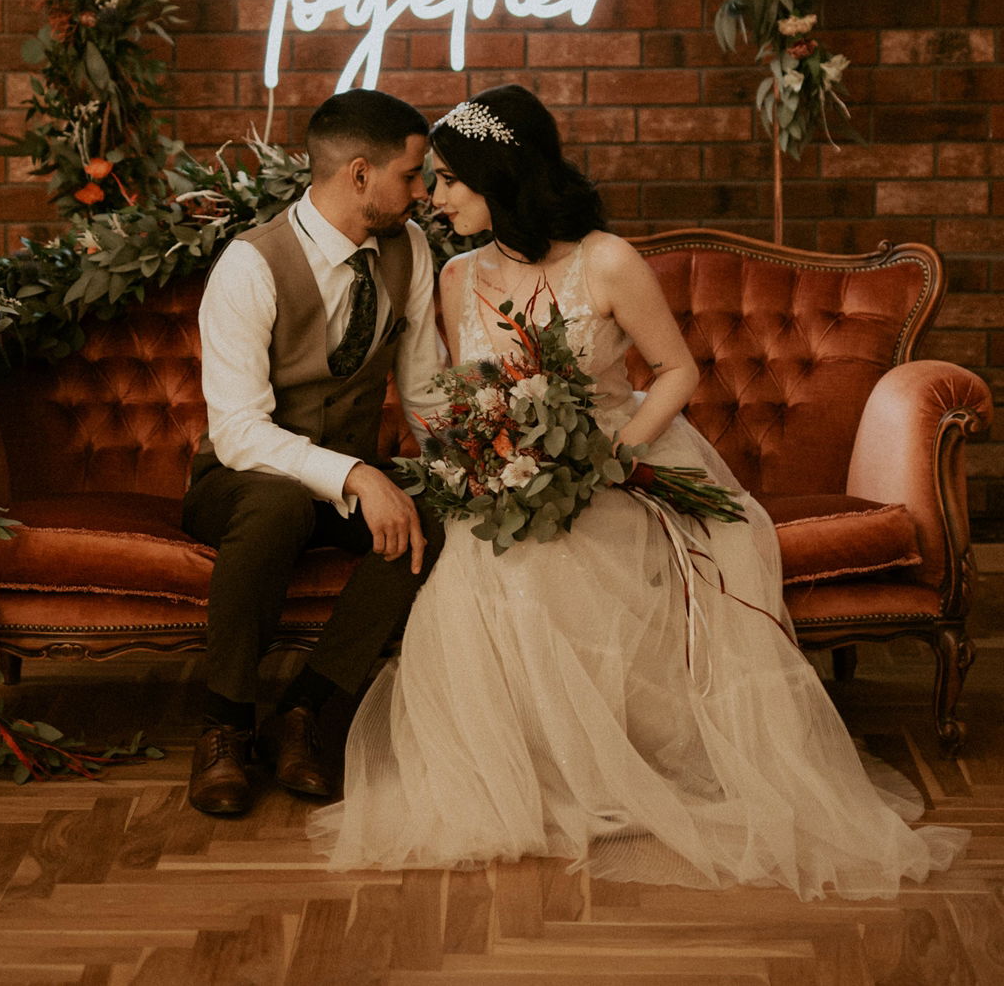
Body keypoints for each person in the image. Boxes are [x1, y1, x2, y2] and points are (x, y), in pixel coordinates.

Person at [309, 83, 968, 899]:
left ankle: (629, 760)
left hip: (626, 462)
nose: (434, 199)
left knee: (574, 557)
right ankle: (531, 766)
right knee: (484, 561)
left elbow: (676, 371)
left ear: (500, 177)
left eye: (448, 180)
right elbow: (469, 394)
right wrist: (489, 457)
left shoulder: (606, 261)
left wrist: (605, 458)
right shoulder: (455, 275)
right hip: (517, 477)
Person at [183, 88, 445, 816]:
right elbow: (239, 431)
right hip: (240, 481)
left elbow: (424, 387)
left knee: (434, 515)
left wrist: (470, 467)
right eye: (411, 174)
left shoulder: (409, 249)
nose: (422, 192)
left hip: (341, 482)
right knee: (276, 504)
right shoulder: (250, 265)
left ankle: (305, 712)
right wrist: (357, 475)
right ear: (360, 174)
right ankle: (225, 727)